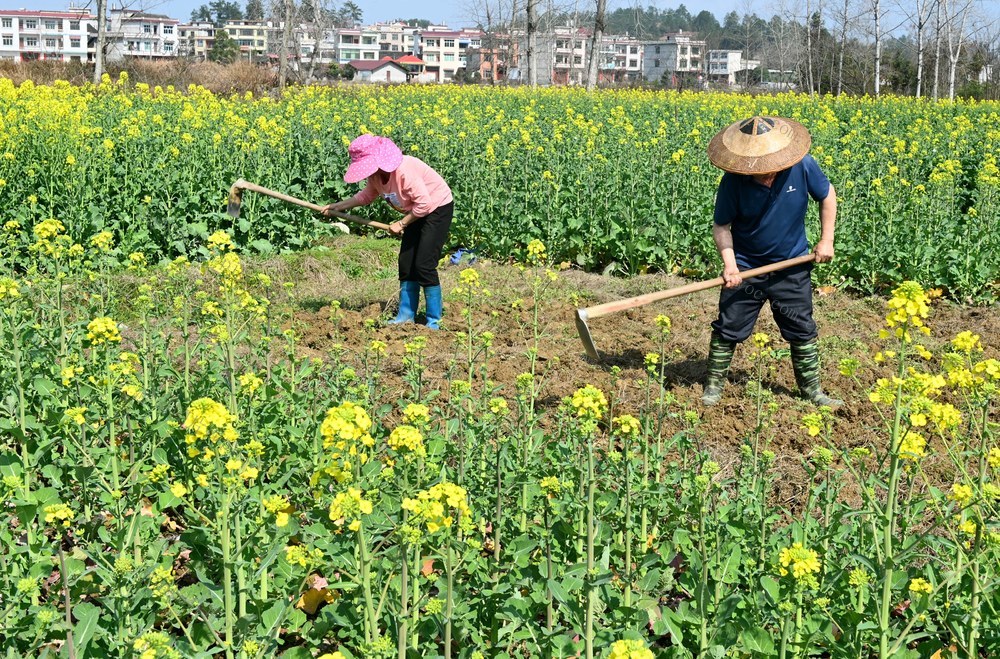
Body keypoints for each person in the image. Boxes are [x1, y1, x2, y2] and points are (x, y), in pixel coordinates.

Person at [702, 116, 841, 407]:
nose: (766, 174)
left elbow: (827, 196)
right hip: (746, 267)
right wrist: (730, 265)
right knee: (729, 326)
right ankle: (713, 387)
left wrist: (826, 240)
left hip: (792, 265)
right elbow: (721, 226)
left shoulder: (802, 166)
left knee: (801, 328)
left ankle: (811, 390)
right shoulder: (734, 181)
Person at [324, 135, 454, 330]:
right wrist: (336, 207)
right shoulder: (376, 175)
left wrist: (401, 223)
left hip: (436, 208)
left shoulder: (404, 171)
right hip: (415, 212)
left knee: (424, 265)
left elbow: (425, 204)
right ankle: (406, 315)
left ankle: (434, 319)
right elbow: (366, 196)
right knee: (406, 263)